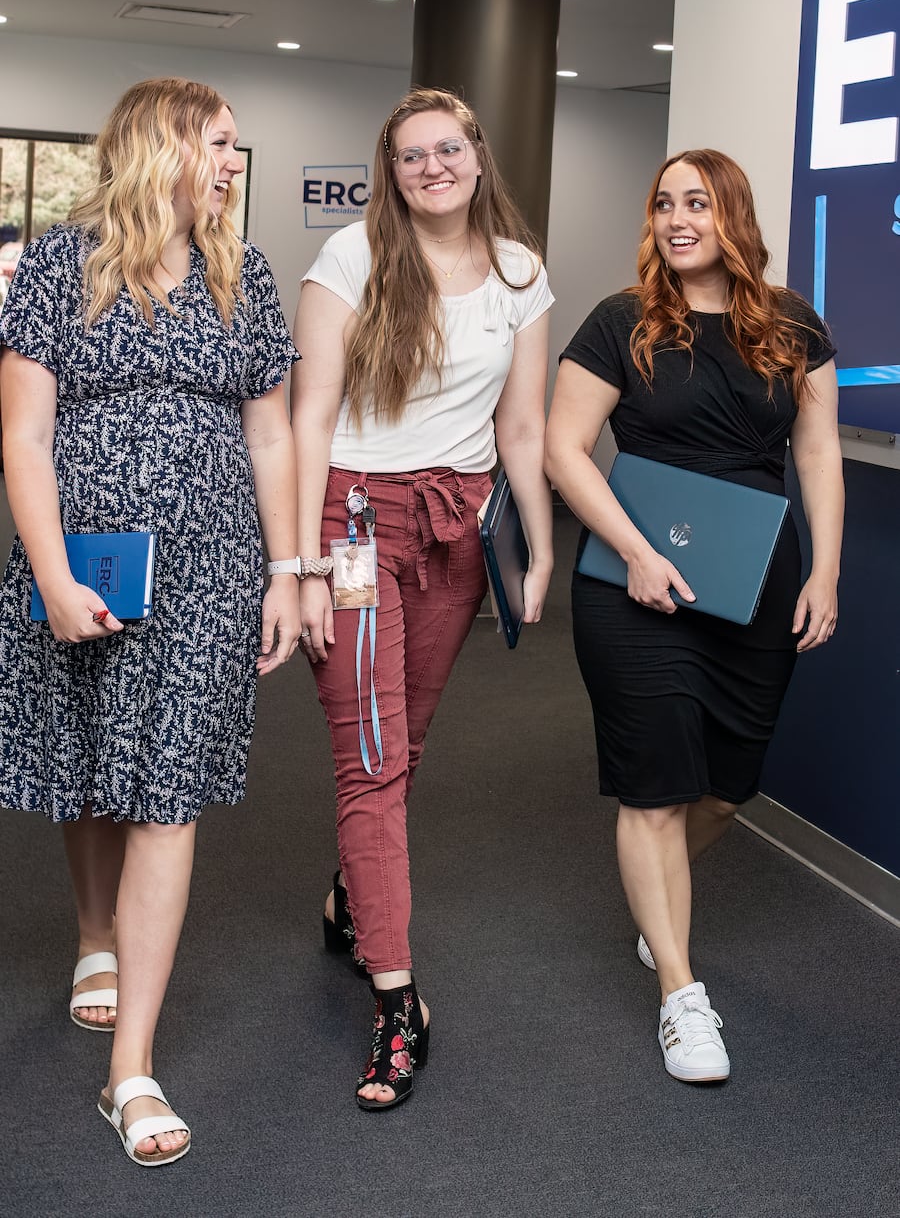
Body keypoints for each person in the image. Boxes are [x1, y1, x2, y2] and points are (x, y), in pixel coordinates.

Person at [0, 77, 302, 1164]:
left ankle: (130, 1068)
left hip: (212, 572)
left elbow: (272, 435)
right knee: (90, 756)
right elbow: (25, 436)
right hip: (86, 560)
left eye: (234, 145)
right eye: (217, 143)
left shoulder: (243, 272)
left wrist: (288, 570)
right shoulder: (58, 264)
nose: (231, 162)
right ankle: (95, 933)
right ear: (159, 148)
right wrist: (50, 576)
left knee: (166, 795)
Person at [545, 149, 844, 1084]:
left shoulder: (792, 324)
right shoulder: (622, 321)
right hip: (633, 584)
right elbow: (563, 448)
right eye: (665, 203)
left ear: (734, 217)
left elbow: (818, 453)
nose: (678, 219)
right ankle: (680, 991)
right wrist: (634, 551)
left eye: (699, 204)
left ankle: (657, 909)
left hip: (754, 584)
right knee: (654, 787)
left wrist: (826, 570)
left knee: (724, 788)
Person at [291, 87, 554, 1110]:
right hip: (352, 525)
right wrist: (300, 566)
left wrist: (537, 549)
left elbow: (522, 429)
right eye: (412, 155)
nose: (433, 167)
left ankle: (351, 897)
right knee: (369, 757)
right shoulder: (351, 258)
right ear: (391, 171)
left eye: (449, 149)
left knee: (408, 741)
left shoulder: (521, 272)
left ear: (478, 156)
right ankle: (398, 1002)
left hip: (458, 526)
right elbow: (311, 418)